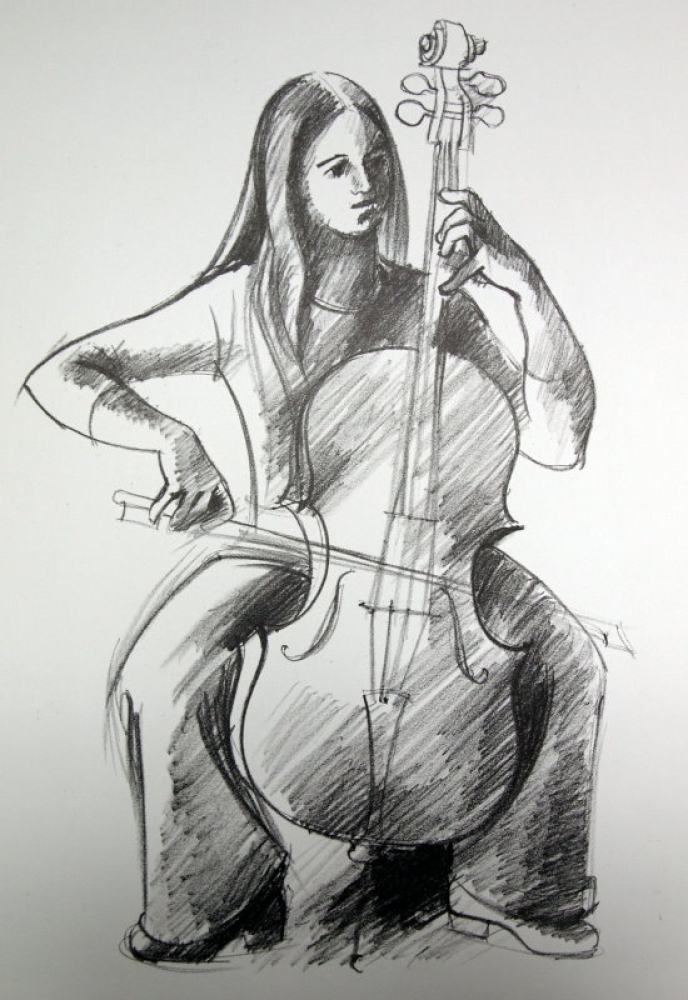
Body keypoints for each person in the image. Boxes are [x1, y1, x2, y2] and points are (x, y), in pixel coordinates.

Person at [23, 72, 605, 963]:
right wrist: (172, 437)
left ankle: (516, 881)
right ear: (288, 183)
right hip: (296, 542)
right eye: (335, 168)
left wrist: (521, 279)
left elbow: (560, 441)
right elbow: (60, 371)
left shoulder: (434, 303)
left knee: (571, 656)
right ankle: (218, 881)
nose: (365, 184)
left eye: (376, 162)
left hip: (439, 546)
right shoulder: (241, 301)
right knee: (159, 671)